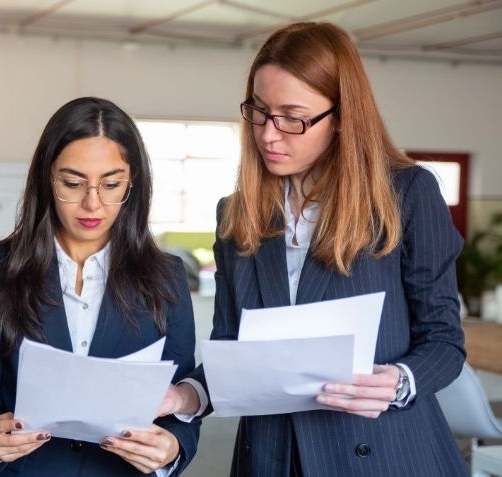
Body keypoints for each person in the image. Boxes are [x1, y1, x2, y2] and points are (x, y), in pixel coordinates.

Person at [160, 22, 467, 477]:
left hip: (386, 454)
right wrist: (182, 396)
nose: (268, 134)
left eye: (292, 116)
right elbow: (232, 351)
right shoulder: (236, 214)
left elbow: (444, 339)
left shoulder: (406, 194)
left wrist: (401, 381)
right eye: (259, 112)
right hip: (270, 457)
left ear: (342, 116)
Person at [0, 97, 200, 476]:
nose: (92, 203)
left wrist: (170, 450)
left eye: (111, 184)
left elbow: (180, 403)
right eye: (72, 183)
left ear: (132, 183)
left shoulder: (165, 276)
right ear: (47, 178)